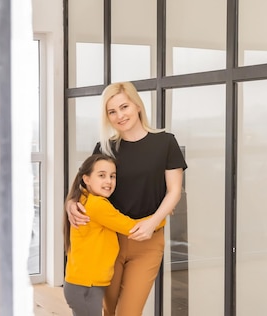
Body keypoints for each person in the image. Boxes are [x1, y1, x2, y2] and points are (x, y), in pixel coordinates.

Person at [66, 81, 187, 316]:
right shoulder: (105, 147)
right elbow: (86, 184)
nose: (120, 115)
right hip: (108, 241)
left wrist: (152, 222)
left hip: (148, 242)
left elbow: (175, 191)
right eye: (112, 111)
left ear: (137, 106)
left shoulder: (165, 143)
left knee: (128, 312)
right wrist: (71, 203)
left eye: (124, 107)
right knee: (109, 310)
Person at [63, 153, 164, 316]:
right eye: (101, 175)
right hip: (87, 287)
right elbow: (130, 227)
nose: (108, 181)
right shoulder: (97, 205)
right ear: (86, 179)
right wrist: (161, 217)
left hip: (80, 284)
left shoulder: (82, 198)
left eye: (112, 176)